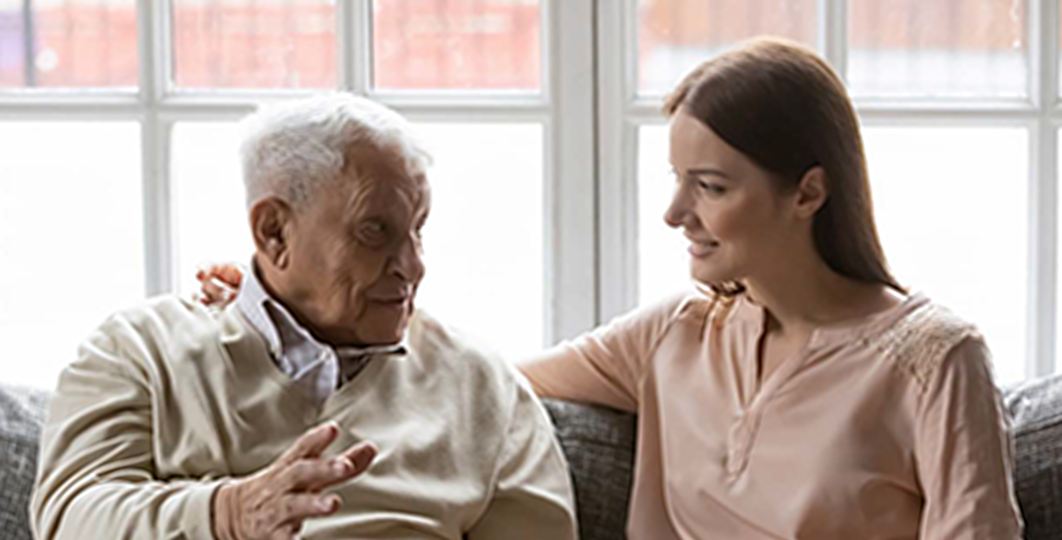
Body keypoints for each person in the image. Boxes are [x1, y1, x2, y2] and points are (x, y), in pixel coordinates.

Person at [196, 39, 1024, 539]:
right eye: (676, 180)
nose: (675, 214)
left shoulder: (934, 359)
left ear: (808, 192)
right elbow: (470, 379)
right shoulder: (674, 334)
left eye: (710, 186)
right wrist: (283, 290)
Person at [31, 94, 578, 540]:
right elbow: (68, 516)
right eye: (375, 231)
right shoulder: (137, 350)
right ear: (273, 232)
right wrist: (228, 513)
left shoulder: (483, 388)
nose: (413, 266)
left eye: (418, 229)